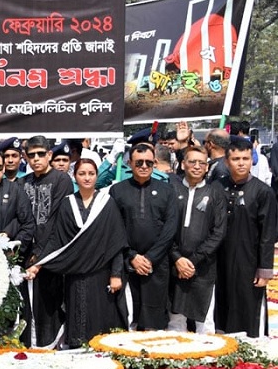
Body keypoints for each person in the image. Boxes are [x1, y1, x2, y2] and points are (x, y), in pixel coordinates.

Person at [26, 158, 128, 348]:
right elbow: (57, 240)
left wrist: (116, 274)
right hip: (74, 274)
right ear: (75, 176)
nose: (87, 178)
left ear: (97, 176)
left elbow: (116, 243)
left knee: (99, 316)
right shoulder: (67, 204)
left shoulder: (107, 203)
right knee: (77, 316)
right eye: (82, 174)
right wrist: (39, 263)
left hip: (101, 273)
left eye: (91, 173)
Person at [109, 143, 178, 330]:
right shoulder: (117, 191)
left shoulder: (167, 190)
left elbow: (170, 228)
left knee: (155, 316)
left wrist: (150, 258)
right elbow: (115, 228)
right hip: (127, 261)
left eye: (149, 162)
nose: (144, 166)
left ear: (154, 163)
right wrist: (132, 256)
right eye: (139, 162)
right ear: (130, 163)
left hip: (157, 262)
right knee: (130, 313)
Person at [215, 139, 277, 337]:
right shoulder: (216, 187)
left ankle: (247, 344)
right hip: (219, 258)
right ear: (226, 161)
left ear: (252, 160)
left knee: (246, 303)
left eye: (245, 158)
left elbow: (268, 232)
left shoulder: (263, 192)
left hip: (248, 260)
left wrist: (264, 268)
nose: (241, 163)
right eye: (236, 159)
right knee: (221, 302)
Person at [18, 135, 73, 347]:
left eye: (41, 154)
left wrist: (40, 256)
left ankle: (51, 346)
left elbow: (57, 221)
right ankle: (32, 346)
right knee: (31, 305)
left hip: (52, 254)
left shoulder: (61, 180)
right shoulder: (24, 182)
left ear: (49, 155)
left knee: (50, 305)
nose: (36, 159)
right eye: (31, 155)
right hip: (28, 255)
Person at [167, 147, 226, 334]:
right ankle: (177, 359)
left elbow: (218, 232)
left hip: (203, 265)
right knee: (175, 319)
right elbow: (163, 228)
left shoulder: (215, 193)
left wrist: (192, 262)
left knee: (205, 320)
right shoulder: (171, 189)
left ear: (207, 168)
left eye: (202, 163)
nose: (197, 166)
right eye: (192, 162)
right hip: (175, 263)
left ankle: (207, 361)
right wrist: (177, 258)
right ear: (183, 164)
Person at [96, 128, 170, 189]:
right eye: (141, 149)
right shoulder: (120, 170)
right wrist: (111, 157)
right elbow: (97, 183)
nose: (145, 153)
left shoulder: (160, 177)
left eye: (149, 149)